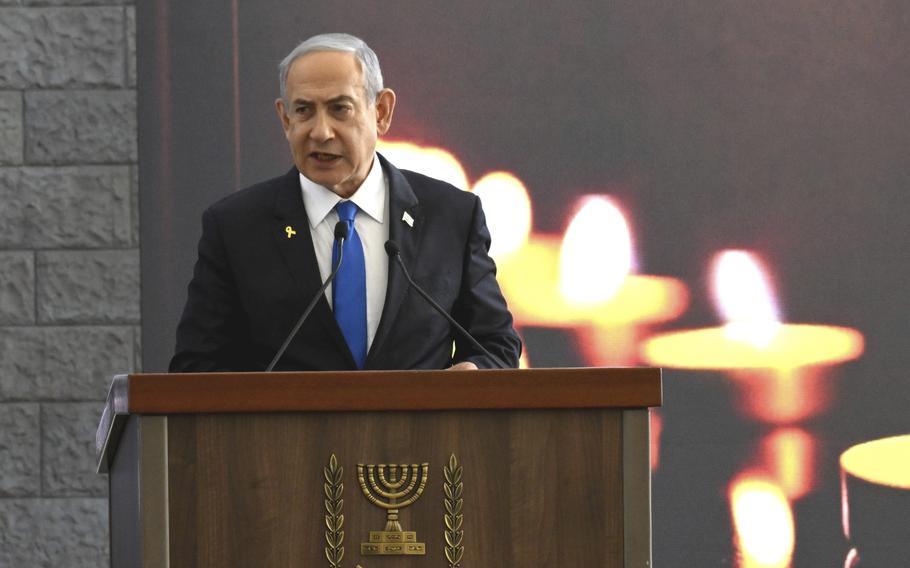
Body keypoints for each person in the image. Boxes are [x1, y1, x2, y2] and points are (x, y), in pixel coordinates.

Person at [169, 33, 521, 372]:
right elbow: (197, 365)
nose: (320, 132)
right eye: (304, 111)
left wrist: (473, 372)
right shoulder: (236, 228)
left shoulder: (451, 215)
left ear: (381, 111)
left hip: (423, 433)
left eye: (340, 109)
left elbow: (496, 345)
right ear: (285, 118)